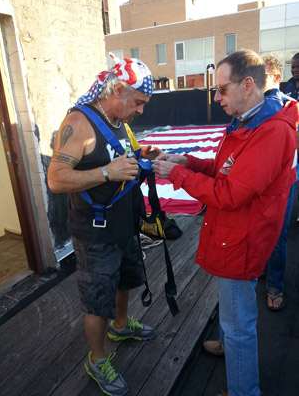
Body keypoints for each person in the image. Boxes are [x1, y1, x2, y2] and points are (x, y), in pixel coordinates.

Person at [152, 49, 299, 396]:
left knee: (239, 325)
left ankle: (243, 388)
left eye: (221, 89)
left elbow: (230, 193)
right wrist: (186, 160)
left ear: (247, 85)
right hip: (234, 235)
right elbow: (225, 169)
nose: (216, 97)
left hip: (241, 240)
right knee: (237, 313)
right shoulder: (250, 120)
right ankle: (232, 346)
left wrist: (178, 175)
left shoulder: (271, 132)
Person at [48, 56, 161, 396]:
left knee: (125, 280)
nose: (141, 111)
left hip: (123, 224)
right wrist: (106, 173)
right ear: (119, 90)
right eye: (138, 103)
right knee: (98, 300)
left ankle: (122, 325)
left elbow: (124, 157)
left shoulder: (117, 121)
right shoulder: (80, 122)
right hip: (93, 234)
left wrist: (146, 157)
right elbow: (55, 179)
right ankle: (97, 359)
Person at [262, 55, 299, 310]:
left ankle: (275, 284)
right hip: (260, 179)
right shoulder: (250, 106)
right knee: (260, 228)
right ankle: (264, 268)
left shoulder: (290, 105)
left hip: (284, 179)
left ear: (275, 77)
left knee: (278, 234)